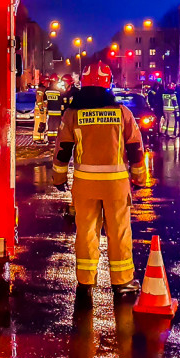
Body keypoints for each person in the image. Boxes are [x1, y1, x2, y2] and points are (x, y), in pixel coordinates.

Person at [52, 62, 147, 302]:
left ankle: (85, 283)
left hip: (85, 185)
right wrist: (139, 178)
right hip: (115, 185)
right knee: (119, 232)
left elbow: (63, 148)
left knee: (85, 232)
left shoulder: (73, 114)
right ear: (109, 84)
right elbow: (136, 148)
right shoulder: (122, 113)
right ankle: (122, 281)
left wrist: (59, 177)